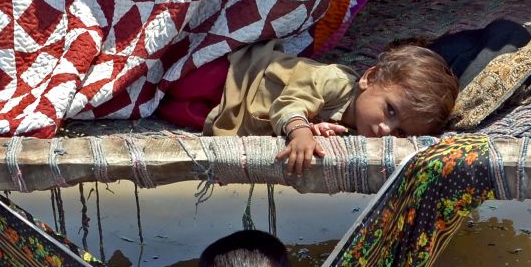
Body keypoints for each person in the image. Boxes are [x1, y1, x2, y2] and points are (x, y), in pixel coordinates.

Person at [156, 40, 459, 176]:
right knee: (173, 82)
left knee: (174, 111)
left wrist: (317, 131)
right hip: (241, 76)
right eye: (390, 111)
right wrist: (301, 132)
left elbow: (321, 129)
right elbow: (291, 103)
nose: (385, 130)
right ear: (370, 78)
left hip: (238, 111)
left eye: (401, 132)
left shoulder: (361, 133)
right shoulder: (336, 81)